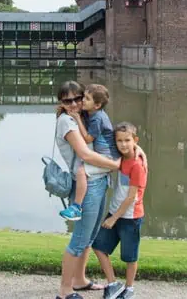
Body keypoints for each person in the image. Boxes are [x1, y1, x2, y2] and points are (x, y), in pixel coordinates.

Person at [54, 81, 146, 299]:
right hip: (88, 184)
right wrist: (117, 165)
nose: (75, 103)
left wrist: (135, 148)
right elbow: (85, 154)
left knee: (90, 236)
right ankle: (64, 291)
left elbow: (111, 136)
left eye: (79, 98)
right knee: (79, 239)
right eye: (69, 100)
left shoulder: (87, 115)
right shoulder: (67, 121)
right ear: (61, 102)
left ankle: (79, 279)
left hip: (99, 180)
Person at [92, 122, 147, 299]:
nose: (123, 144)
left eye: (127, 140)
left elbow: (131, 197)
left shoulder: (137, 165)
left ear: (135, 140)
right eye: (119, 141)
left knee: (130, 257)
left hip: (130, 217)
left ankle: (129, 288)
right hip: (115, 212)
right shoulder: (120, 158)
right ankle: (113, 283)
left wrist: (113, 218)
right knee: (99, 246)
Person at [59, 84, 120, 221]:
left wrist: (78, 119)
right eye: (84, 97)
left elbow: (87, 139)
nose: (83, 101)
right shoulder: (92, 113)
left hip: (108, 156)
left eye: (85, 98)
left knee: (81, 171)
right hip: (107, 156)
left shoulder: (98, 118)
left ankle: (76, 207)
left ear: (97, 105)